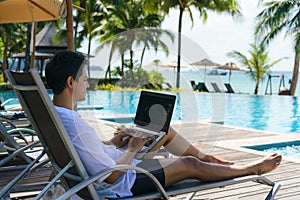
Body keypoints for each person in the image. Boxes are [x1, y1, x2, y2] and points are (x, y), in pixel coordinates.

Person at [45, 51, 282, 199]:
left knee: (164, 131)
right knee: (189, 164)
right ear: (70, 82)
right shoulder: (72, 122)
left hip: (112, 166)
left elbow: (87, 151)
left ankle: (208, 159)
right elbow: (111, 177)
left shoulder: (57, 115)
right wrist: (133, 148)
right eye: (85, 80)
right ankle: (250, 170)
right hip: (121, 181)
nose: (87, 85)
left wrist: (115, 142)